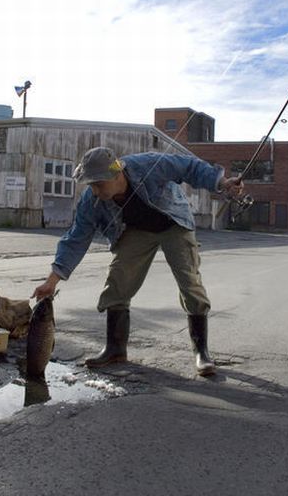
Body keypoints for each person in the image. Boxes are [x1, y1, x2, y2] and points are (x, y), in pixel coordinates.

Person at [32, 146, 244, 376]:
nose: (94, 190)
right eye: (90, 185)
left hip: (172, 222)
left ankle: (201, 352)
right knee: (118, 280)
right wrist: (52, 281)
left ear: (117, 174)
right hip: (134, 230)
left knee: (189, 282)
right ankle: (115, 349)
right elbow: (76, 238)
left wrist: (221, 183)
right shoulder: (91, 200)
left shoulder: (147, 165)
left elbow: (189, 167)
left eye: (98, 184)